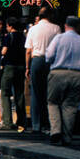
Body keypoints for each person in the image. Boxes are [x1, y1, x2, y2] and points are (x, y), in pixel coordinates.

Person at [44, 16, 80, 146]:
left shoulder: (59, 38)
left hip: (58, 72)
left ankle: (55, 130)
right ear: (78, 27)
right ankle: (67, 136)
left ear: (65, 25)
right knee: (70, 106)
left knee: (53, 102)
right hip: (79, 75)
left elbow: (48, 56)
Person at [24, 7, 60, 135]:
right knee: (49, 93)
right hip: (51, 62)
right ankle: (47, 124)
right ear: (50, 15)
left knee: (35, 93)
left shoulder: (33, 29)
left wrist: (27, 67)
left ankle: (36, 125)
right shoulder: (56, 28)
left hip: (37, 60)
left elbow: (28, 50)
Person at [0, 16, 27, 132]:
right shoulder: (23, 36)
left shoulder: (8, 36)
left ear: (10, 26)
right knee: (19, 93)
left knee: (5, 92)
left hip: (10, 66)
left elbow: (4, 51)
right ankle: (21, 121)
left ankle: (7, 121)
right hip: (21, 66)